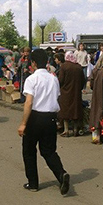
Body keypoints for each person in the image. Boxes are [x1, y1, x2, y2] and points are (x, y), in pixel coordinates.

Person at [18, 48, 70, 195]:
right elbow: (57, 97)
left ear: (33, 63)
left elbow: (28, 103)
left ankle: (33, 182)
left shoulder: (31, 79)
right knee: (48, 151)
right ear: (46, 61)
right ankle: (61, 174)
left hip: (35, 117)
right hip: (50, 117)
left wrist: (23, 123)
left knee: (29, 150)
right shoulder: (53, 78)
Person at [57, 51, 85, 137]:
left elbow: (60, 80)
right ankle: (75, 129)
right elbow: (83, 80)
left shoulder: (64, 66)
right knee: (75, 111)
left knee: (65, 111)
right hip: (76, 92)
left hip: (65, 92)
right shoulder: (78, 67)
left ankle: (66, 130)